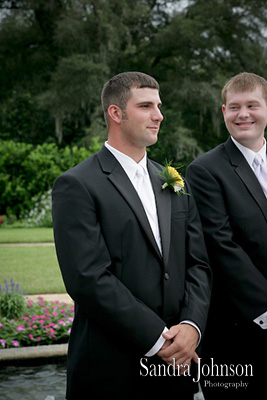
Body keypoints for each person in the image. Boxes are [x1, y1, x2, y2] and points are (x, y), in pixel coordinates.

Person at [52, 71, 212, 398]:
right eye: (146, 106)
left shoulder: (173, 179)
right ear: (116, 113)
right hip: (111, 370)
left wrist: (191, 327)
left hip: (176, 370)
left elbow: (198, 263)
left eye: (159, 105)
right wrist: (159, 339)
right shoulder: (77, 184)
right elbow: (88, 278)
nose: (159, 115)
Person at [186, 72, 267, 399]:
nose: (243, 114)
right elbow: (221, 245)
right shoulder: (205, 170)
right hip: (238, 332)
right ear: (223, 112)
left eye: (252, 105)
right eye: (234, 107)